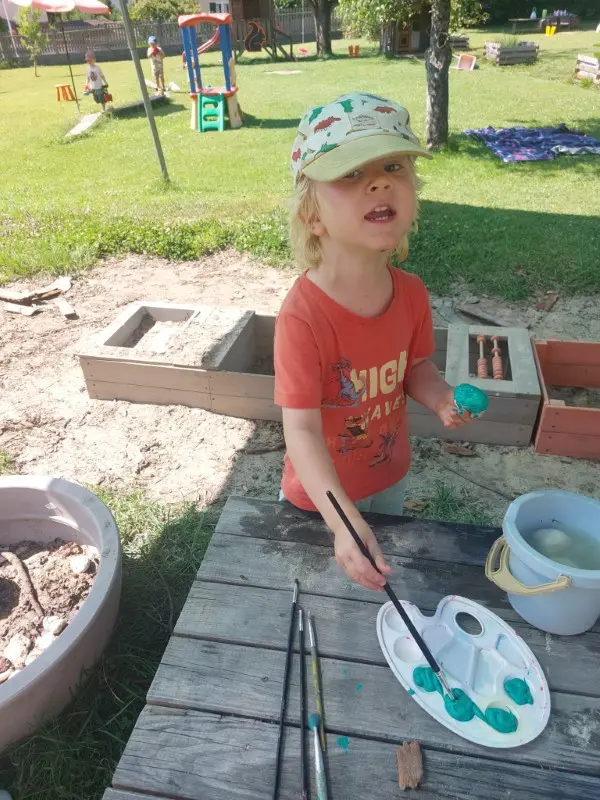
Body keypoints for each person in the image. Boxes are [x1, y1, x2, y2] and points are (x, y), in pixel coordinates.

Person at [275, 92, 478, 591]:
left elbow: (415, 367)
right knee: (325, 594)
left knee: (378, 585)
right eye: (351, 172)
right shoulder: (302, 317)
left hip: (389, 475)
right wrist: (342, 520)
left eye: (393, 166)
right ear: (313, 216)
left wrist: (440, 396)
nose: (380, 181)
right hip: (320, 499)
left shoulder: (411, 293)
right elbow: (300, 430)